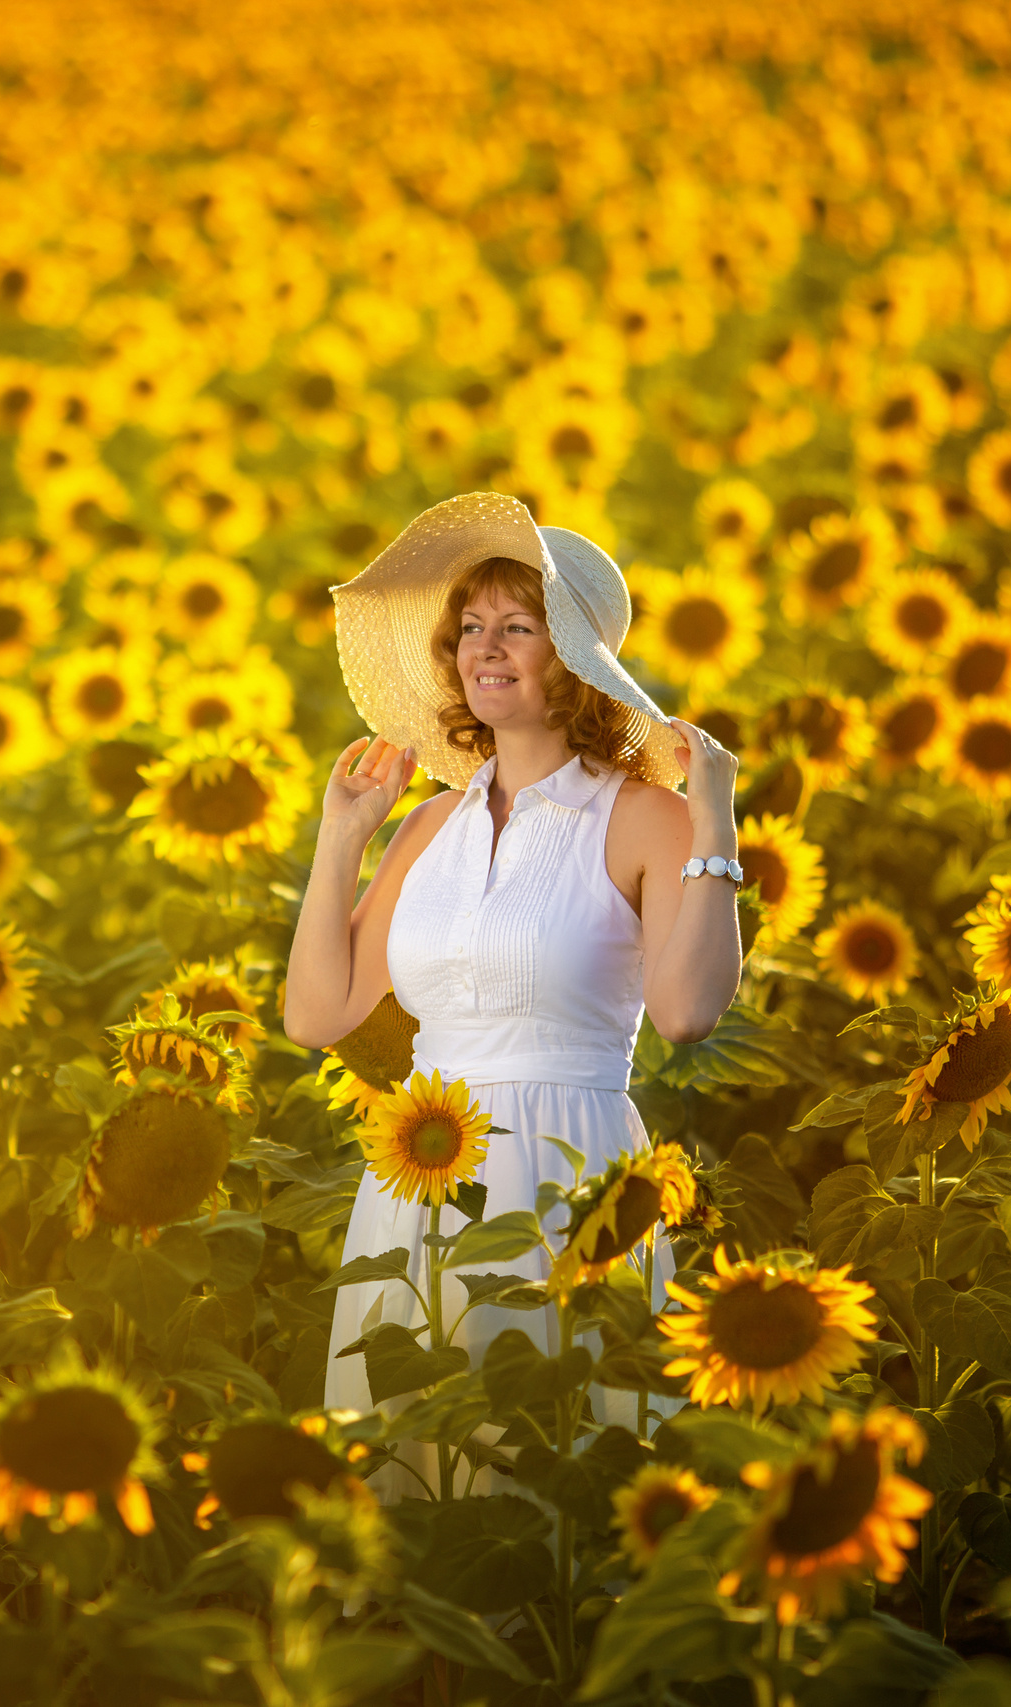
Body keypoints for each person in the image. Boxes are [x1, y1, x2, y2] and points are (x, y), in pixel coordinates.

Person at [280, 491, 746, 1503]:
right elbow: (316, 1017)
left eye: (517, 628)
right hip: (419, 1175)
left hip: (571, 1176)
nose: (483, 649)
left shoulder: (644, 820)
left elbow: (685, 1013)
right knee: (416, 1471)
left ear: (573, 659)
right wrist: (340, 839)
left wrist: (716, 828)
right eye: (470, 629)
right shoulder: (423, 829)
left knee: (555, 1472)